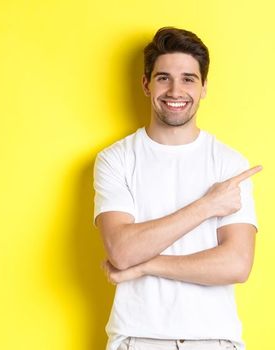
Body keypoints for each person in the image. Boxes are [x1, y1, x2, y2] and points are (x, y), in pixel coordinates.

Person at [92, 27, 261, 350]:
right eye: (163, 77)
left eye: (188, 79)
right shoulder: (116, 159)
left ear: (204, 87)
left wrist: (144, 264)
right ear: (146, 84)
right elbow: (122, 250)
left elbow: (237, 264)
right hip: (138, 338)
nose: (175, 90)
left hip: (214, 339)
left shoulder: (229, 163)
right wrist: (207, 206)